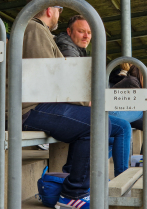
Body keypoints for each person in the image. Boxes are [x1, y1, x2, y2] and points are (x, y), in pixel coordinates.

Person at [0, 0, 102, 208]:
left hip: (28, 106)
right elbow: (48, 79)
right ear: (50, 9)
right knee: (95, 122)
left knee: (96, 120)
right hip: (24, 110)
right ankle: (73, 193)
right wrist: (84, 101)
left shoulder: (34, 29)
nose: (60, 15)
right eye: (59, 9)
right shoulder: (33, 28)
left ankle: (72, 186)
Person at [56, 15, 133, 177]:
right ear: (69, 31)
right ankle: (121, 178)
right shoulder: (66, 47)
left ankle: (75, 170)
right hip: (65, 107)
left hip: (73, 106)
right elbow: (76, 81)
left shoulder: (77, 49)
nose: (86, 36)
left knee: (111, 138)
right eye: (81, 31)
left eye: (89, 32)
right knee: (123, 128)